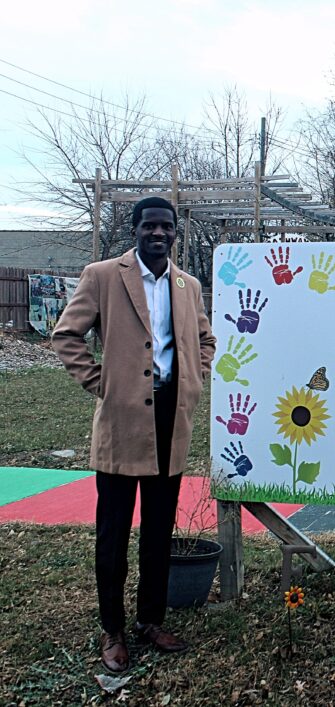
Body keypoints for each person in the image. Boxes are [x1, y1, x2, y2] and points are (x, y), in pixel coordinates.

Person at [52, 196, 216, 673]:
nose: (158, 234)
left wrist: (194, 378)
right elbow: (67, 335)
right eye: (150, 226)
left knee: (159, 530)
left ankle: (150, 620)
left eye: (166, 226)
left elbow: (205, 339)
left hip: (171, 419)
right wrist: (101, 383)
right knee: (113, 533)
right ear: (135, 229)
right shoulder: (103, 276)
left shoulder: (187, 285)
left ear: (174, 233)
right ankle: (113, 629)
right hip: (122, 422)